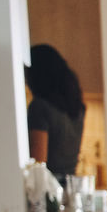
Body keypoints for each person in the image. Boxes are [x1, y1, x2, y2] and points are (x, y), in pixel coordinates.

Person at [25, 43, 86, 186]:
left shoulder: (40, 107)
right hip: (71, 187)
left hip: (50, 190)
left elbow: (38, 164)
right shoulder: (77, 108)